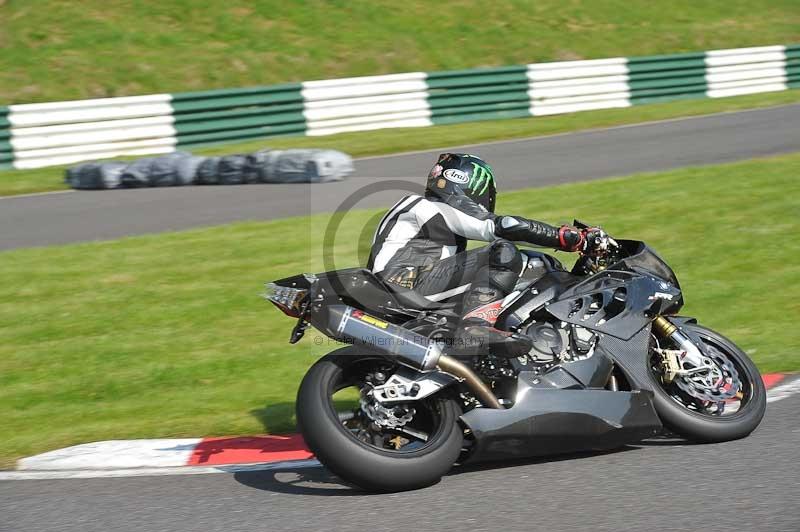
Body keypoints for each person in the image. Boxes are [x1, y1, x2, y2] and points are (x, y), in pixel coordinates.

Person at [367, 153, 606, 357]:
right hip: (404, 285)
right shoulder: (431, 206)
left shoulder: (426, 212)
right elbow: (506, 226)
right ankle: (475, 327)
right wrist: (571, 238)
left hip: (401, 288)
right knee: (502, 252)